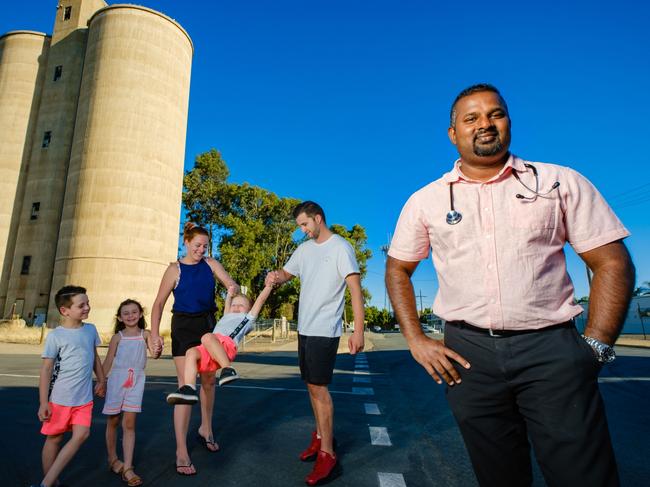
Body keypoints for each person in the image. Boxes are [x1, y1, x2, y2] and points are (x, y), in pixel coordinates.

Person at [385, 83, 635, 487]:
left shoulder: (559, 181)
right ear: (453, 134)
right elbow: (398, 270)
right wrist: (416, 339)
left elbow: (611, 262)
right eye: (471, 118)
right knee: (498, 476)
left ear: (508, 122)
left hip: (552, 350)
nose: (484, 124)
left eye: (494, 114)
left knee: (584, 476)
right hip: (467, 358)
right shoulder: (425, 201)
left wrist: (596, 347)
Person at [266, 201, 365, 486]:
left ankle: (328, 453)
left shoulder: (341, 248)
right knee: (311, 385)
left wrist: (358, 331)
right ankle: (320, 434)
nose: (303, 230)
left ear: (318, 219)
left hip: (325, 329)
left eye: (305, 224)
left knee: (320, 389)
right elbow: (287, 273)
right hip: (305, 329)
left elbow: (355, 291)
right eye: (300, 226)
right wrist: (276, 277)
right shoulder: (304, 249)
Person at [150, 222, 238, 476]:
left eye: (205, 246)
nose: (201, 249)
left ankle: (205, 429)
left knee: (208, 382)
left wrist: (232, 289)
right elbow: (158, 305)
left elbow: (230, 283)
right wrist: (155, 335)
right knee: (186, 388)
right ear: (186, 243)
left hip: (208, 325)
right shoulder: (174, 269)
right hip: (183, 328)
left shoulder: (211, 264)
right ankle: (181, 450)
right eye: (197, 245)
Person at [34, 285, 106, 487]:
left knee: (82, 434)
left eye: (88, 303)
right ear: (65, 311)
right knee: (54, 439)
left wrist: (101, 380)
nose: (87, 307)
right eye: (81, 305)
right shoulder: (56, 336)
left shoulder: (90, 330)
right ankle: (52, 481)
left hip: (84, 399)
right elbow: (46, 370)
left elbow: (94, 358)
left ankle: (45, 483)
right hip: (60, 399)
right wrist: (43, 403)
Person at [166, 282, 274, 404]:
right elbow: (227, 305)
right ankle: (189, 388)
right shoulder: (226, 316)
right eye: (234, 305)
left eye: (241, 305)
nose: (236, 307)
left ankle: (228, 369)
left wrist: (269, 286)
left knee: (206, 337)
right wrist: (229, 294)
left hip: (226, 346)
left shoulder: (247, 318)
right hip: (211, 347)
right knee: (190, 352)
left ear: (249, 309)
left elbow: (260, 300)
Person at [102, 299, 160, 486]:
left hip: (136, 381)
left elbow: (154, 354)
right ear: (119, 317)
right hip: (117, 381)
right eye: (125, 313)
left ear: (141, 314)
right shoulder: (117, 337)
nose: (130, 316)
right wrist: (101, 382)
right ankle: (112, 459)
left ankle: (128, 467)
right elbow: (108, 361)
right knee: (113, 420)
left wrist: (158, 345)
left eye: (134, 312)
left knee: (129, 423)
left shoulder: (146, 334)